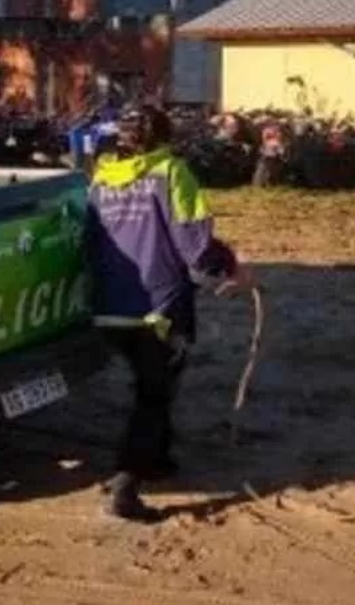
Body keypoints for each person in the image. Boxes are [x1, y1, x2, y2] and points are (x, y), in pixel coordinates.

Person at [84, 102, 253, 522]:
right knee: (153, 396)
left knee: (152, 383)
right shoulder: (171, 173)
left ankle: (157, 459)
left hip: (107, 306)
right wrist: (231, 269)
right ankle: (126, 486)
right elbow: (195, 244)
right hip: (158, 307)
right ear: (163, 137)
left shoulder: (99, 181)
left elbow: (88, 241)